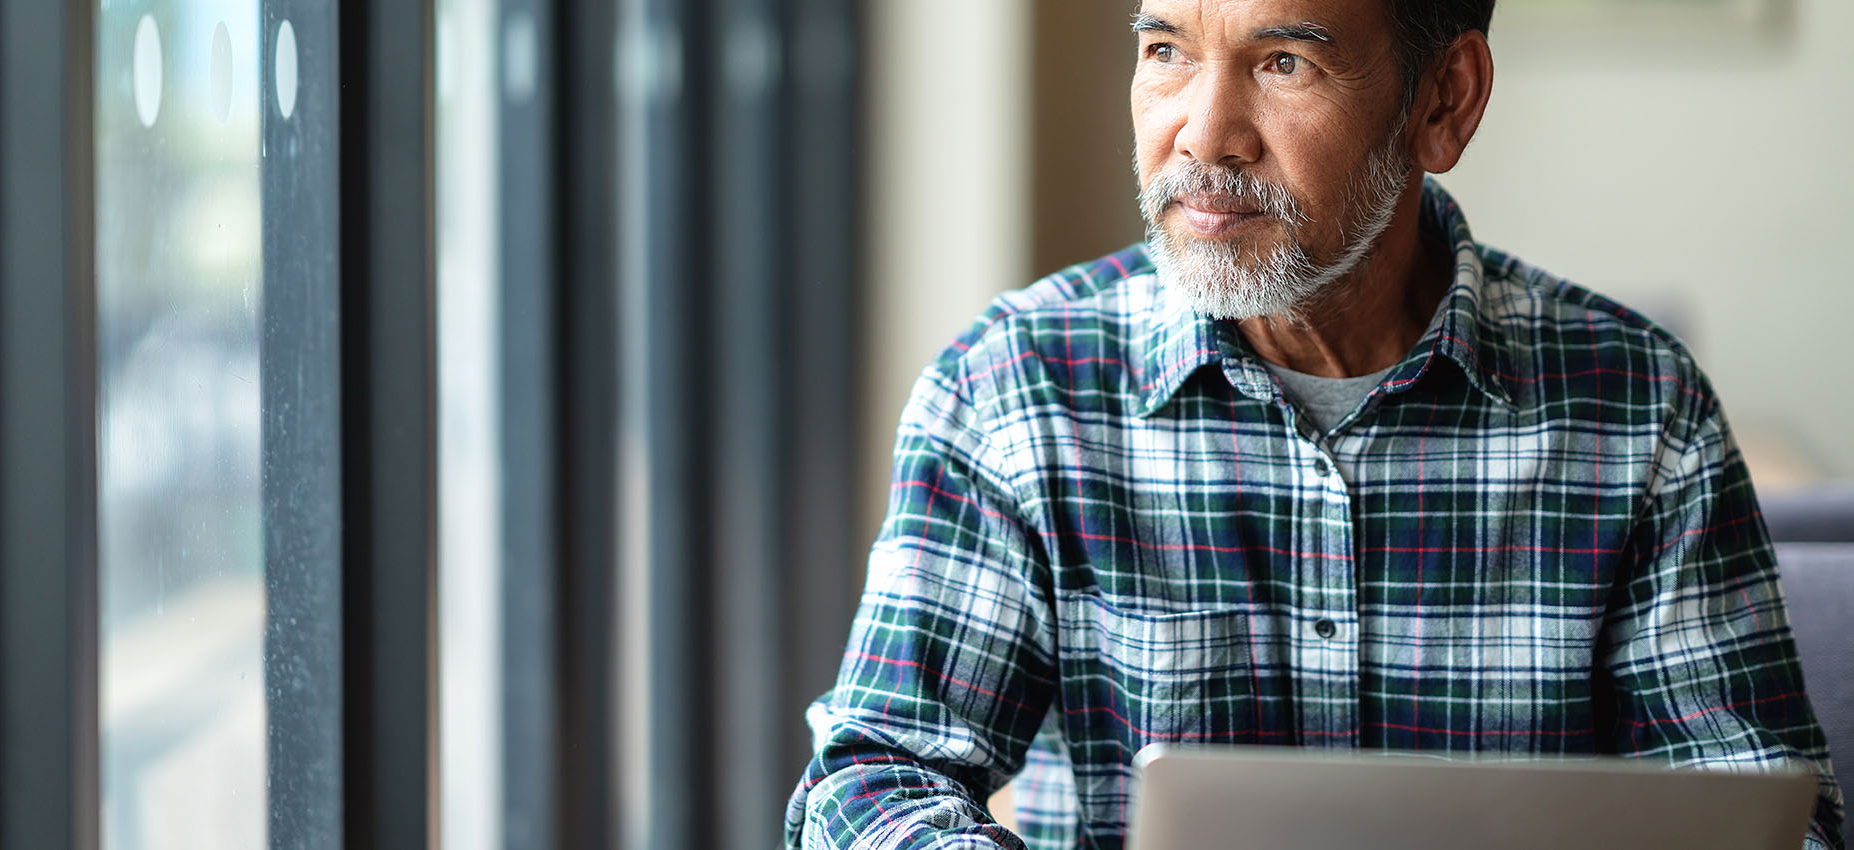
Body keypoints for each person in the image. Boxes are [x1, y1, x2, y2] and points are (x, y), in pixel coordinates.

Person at [783, 0, 1846, 847]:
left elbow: (1769, 817)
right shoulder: (1013, 386)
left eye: (1282, 61)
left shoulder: (1638, 407)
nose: (1201, 132)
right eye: (1164, 49)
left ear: (1445, 99)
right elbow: (871, 784)